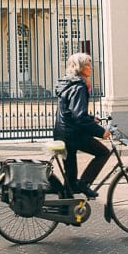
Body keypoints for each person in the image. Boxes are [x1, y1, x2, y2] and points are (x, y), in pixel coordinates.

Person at [53, 52, 111, 198]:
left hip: (62, 132)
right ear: (79, 68)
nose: (91, 67)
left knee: (70, 177)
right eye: (87, 64)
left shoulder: (68, 83)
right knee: (103, 152)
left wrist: (91, 118)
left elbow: (70, 111)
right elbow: (78, 116)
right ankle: (84, 184)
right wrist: (101, 132)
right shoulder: (79, 86)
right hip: (72, 135)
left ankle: (66, 211)